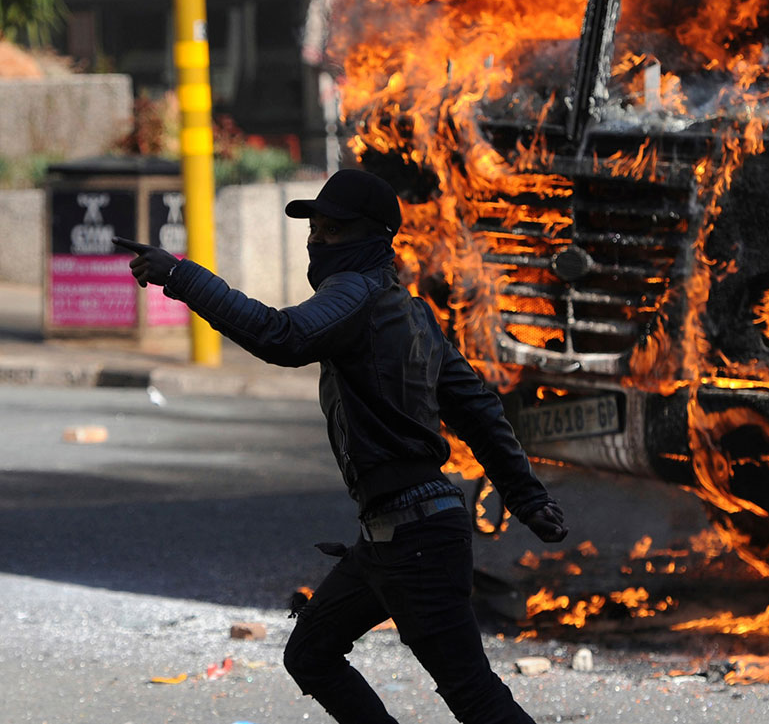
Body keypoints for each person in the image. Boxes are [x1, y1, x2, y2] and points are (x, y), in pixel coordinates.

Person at [113, 168, 567, 724]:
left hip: (415, 539)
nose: (317, 241)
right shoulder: (413, 313)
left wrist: (180, 276)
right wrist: (528, 498)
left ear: (373, 241)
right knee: (310, 654)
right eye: (314, 229)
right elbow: (478, 410)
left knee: (473, 694)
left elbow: (283, 337)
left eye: (332, 230)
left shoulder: (356, 292)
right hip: (391, 536)